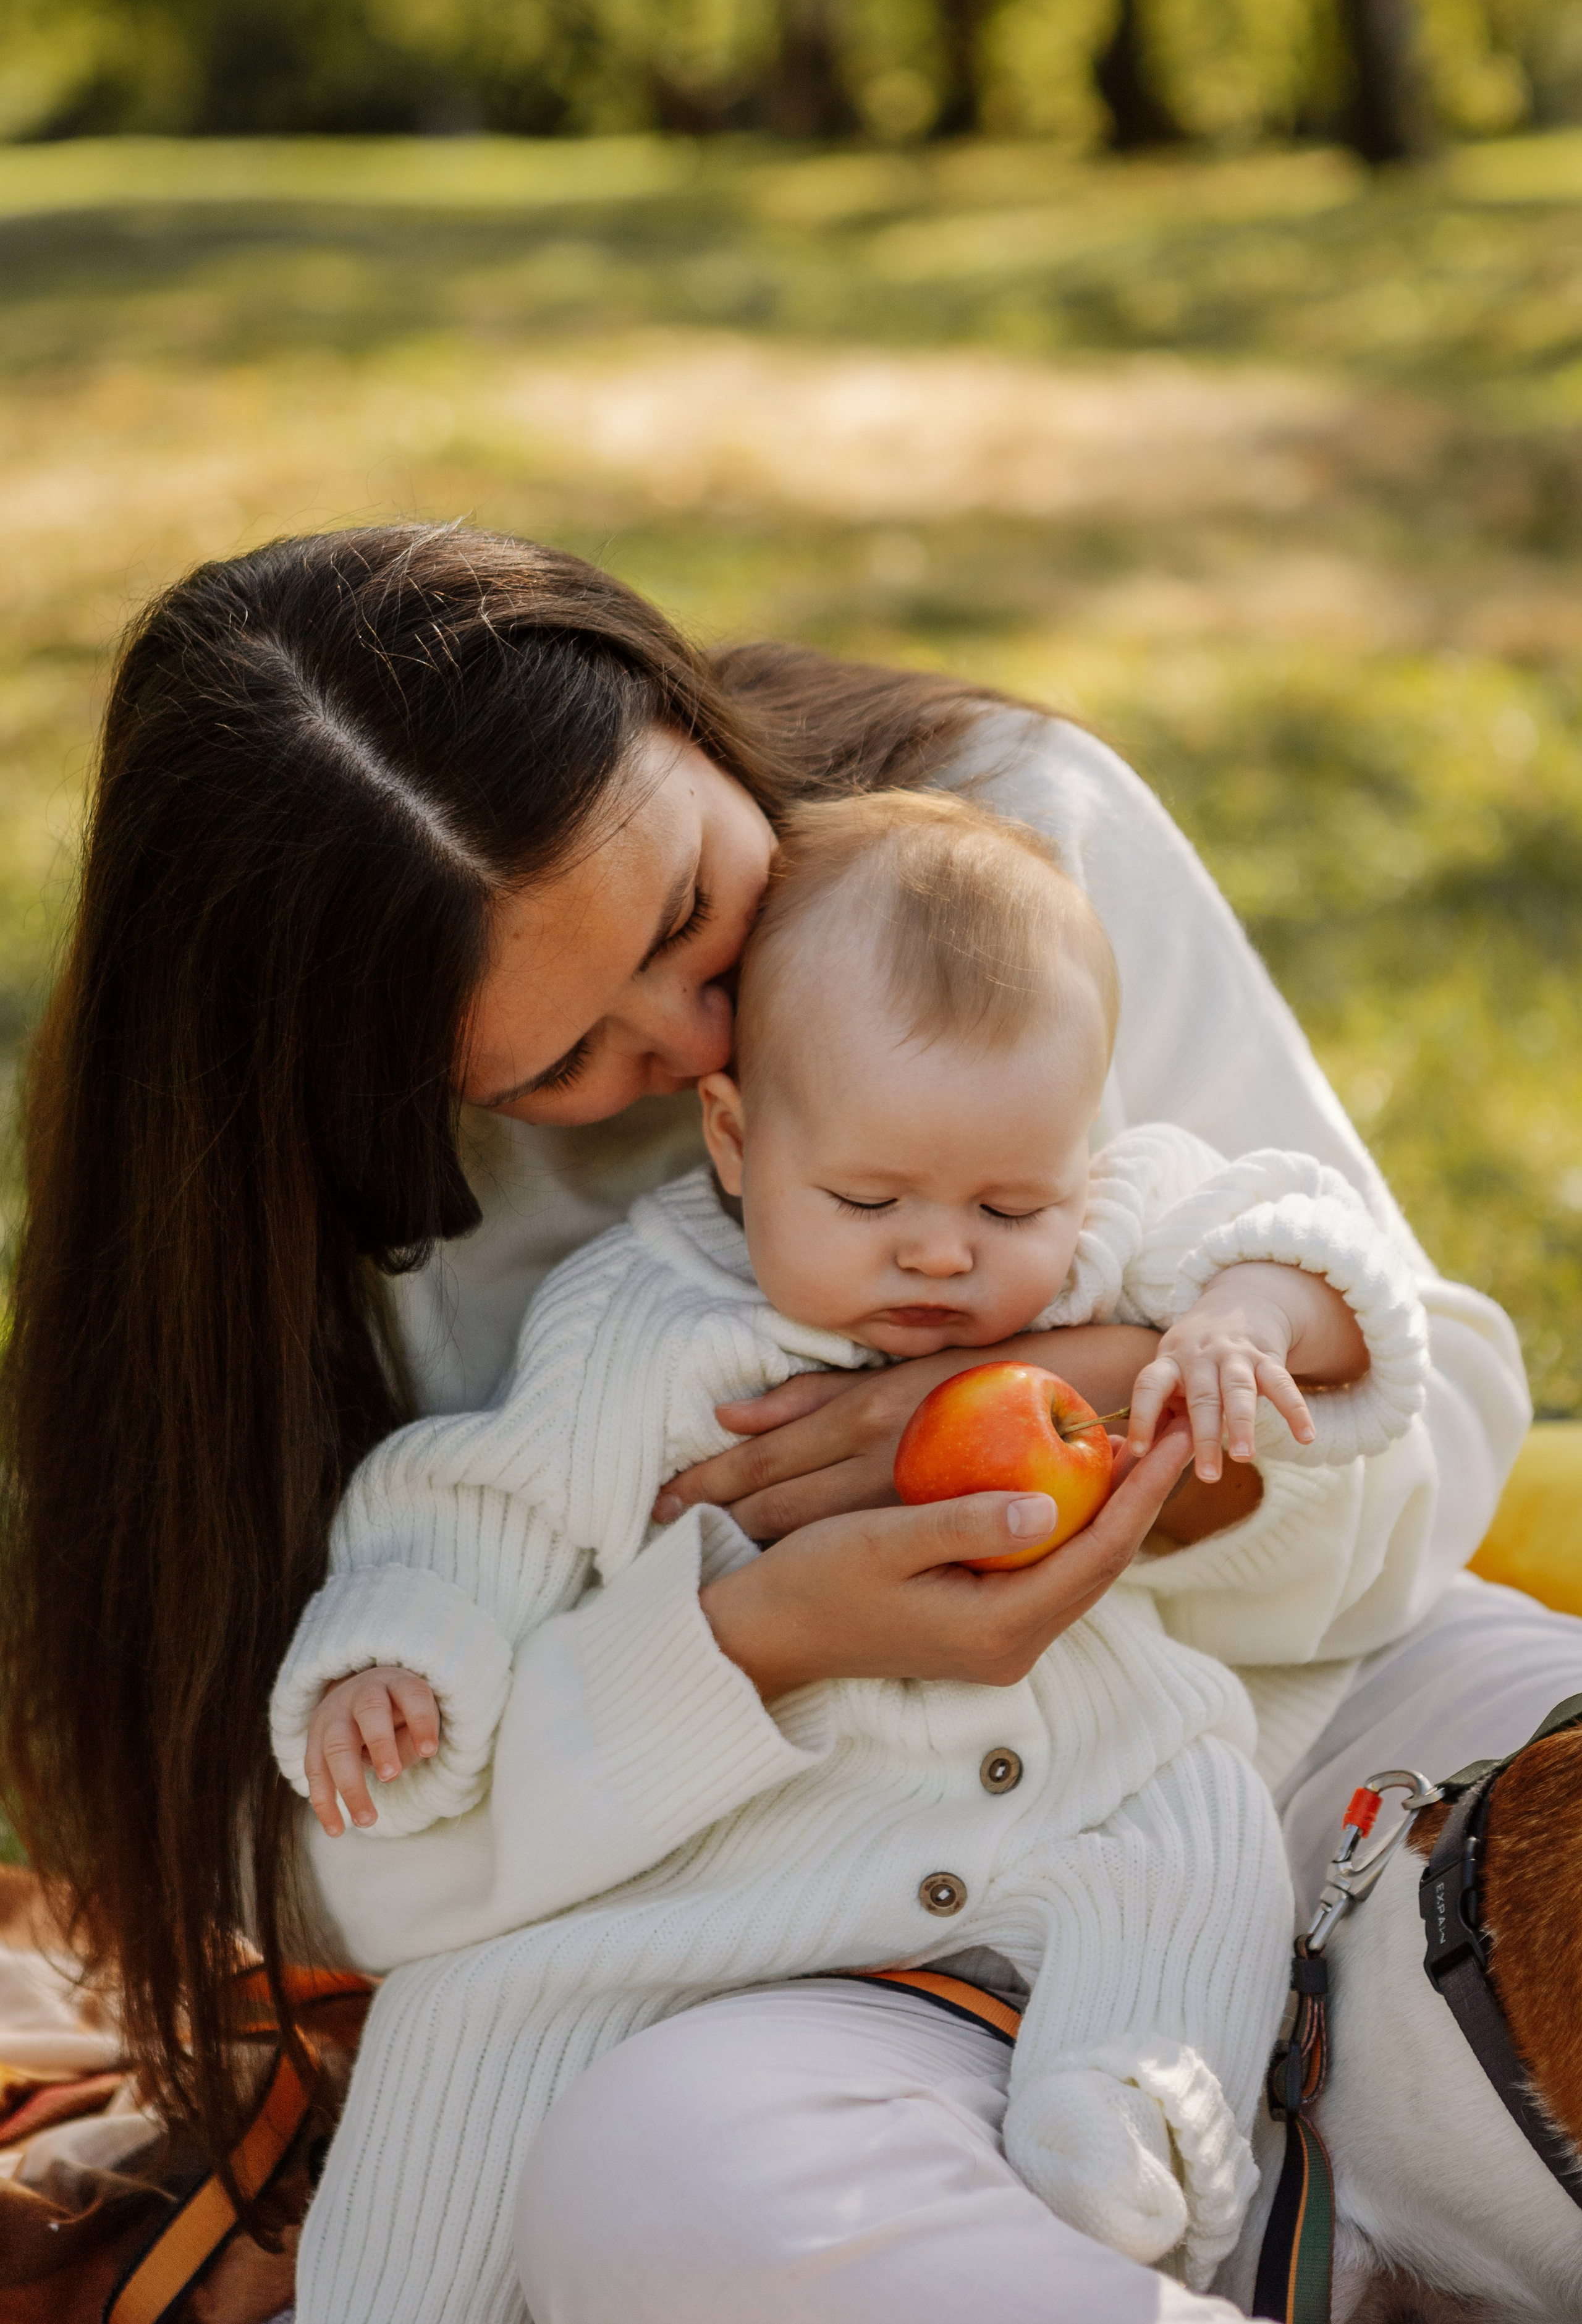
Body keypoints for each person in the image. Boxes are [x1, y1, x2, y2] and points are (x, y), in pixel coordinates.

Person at [0, 524, 1541, 2324]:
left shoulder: (998, 847)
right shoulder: (381, 1261)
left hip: (1291, 1750)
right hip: (799, 1944)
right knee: (666, 2189)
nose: (701, 1031)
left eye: (687, 918)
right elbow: (333, 1841)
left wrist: (1129, 1414)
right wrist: (743, 1644)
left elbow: (1419, 1402)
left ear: (680, 707)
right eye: (557, 1067)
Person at [268, 789, 1429, 2309]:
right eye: (868, 1198)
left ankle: (1127, 2114)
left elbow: (1309, 1238)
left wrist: (1236, 1321)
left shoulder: (1100, 1225)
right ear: (736, 1136)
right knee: (472, 2022)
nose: (942, 1250)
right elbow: (480, 1505)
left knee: (1197, 1839)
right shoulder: (643, 1322)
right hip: (728, 1861)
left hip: (1074, 1776)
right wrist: (397, 1651)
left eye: (1005, 1198)